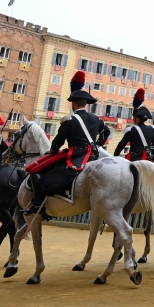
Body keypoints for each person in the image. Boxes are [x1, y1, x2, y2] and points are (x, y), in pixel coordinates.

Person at [23, 71, 105, 214]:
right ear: (85, 104)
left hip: (75, 155)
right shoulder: (95, 119)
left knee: (34, 169)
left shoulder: (69, 120)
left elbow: (58, 143)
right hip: (92, 154)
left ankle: (37, 205)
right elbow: (107, 133)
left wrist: (52, 151)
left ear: (74, 104)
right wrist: (97, 144)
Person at [115, 88, 154, 162]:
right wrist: (150, 151)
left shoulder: (132, 130)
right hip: (147, 160)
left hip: (133, 160)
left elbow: (121, 145)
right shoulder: (151, 129)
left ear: (137, 118)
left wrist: (115, 155)